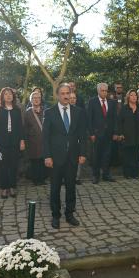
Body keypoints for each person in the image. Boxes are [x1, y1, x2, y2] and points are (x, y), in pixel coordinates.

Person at [42, 82, 89, 229]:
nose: (65, 96)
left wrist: (83, 153)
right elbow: (45, 137)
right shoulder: (49, 112)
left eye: (67, 93)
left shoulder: (78, 112)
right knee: (55, 188)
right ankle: (55, 215)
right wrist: (47, 156)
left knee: (71, 187)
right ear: (57, 95)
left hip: (72, 157)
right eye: (62, 93)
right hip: (55, 158)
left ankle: (70, 214)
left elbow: (83, 134)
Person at [0, 87, 26, 198]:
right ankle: (4, 188)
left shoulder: (17, 110)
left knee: (13, 166)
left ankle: (12, 187)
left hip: (15, 142)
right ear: (2, 97)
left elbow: (20, 127)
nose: (8, 96)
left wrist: (22, 140)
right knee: (3, 166)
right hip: (2, 142)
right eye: (5, 94)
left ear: (13, 96)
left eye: (10, 94)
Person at [86, 82, 117, 184]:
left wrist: (115, 132)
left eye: (106, 91)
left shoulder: (112, 102)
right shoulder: (92, 102)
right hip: (96, 134)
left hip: (108, 134)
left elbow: (114, 118)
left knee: (107, 155)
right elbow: (89, 119)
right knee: (96, 155)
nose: (104, 93)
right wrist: (91, 133)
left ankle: (106, 174)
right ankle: (95, 175)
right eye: (102, 91)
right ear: (98, 91)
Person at [116, 90, 139, 179]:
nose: (134, 97)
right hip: (126, 136)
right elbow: (119, 122)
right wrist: (120, 134)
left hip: (137, 136)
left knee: (135, 156)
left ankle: (135, 174)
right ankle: (127, 174)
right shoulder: (124, 109)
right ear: (128, 97)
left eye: (135, 95)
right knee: (127, 156)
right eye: (132, 95)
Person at [23, 90, 47, 185]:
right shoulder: (27, 113)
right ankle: (36, 180)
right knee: (35, 161)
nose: (36, 100)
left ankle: (42, 179)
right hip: (33, 141)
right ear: (31, 100)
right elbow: (24, 128)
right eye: (34, 98)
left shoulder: (45, 111)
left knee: (43, 160)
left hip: (44, 141)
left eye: (38, 98)